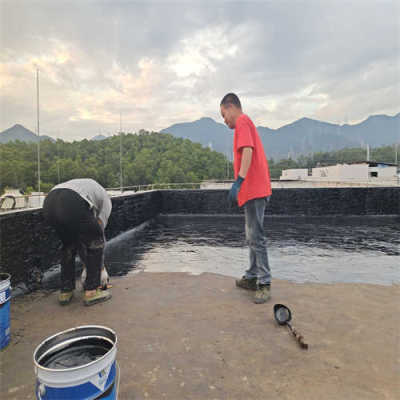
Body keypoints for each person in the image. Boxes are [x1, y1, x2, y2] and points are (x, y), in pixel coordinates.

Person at [220, 93, 272, 304]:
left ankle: (264, 282)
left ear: (231, 107)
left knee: (256, 236)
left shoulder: (242, 121)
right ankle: (252, 277)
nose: (225, 120)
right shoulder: (245, 122)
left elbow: (248, 150)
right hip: (253, 191)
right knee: (251, 234)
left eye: (224, 115)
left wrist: (239, 181)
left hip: (254, 190)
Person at [43, 178, 112, 306]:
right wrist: (101, 269)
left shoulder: (89, 190)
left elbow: (81, 239)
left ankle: (66, 291)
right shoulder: (106, 203)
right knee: (96, 241)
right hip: (71, 201)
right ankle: (92, 291)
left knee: (68, 245)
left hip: (49, 202)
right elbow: (97, 237)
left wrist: (87, 265)